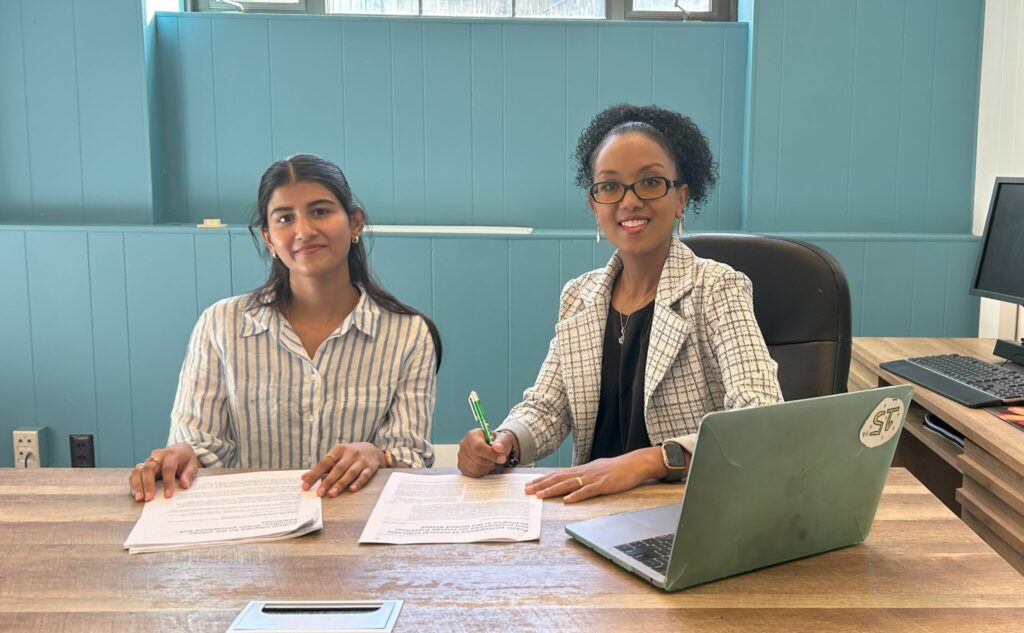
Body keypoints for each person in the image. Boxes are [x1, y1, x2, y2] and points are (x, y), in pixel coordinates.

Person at [457, 104, 782, 502]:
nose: (629, 201)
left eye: (650, 182)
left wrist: (652, 460)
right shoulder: (579, 296)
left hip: (685, 509)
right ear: (595, 206)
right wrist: (504, 442)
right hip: (587, 508)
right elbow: (548, 408)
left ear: (681, 198)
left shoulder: (716, 287)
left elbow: (758, 414)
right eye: (610, 187)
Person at [130, 154, 441, 502]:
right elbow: (200, 443)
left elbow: (412, 455)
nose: (304, 231)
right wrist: (182, 456)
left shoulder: (408, 334)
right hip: (251, 521)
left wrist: (378, 456)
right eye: (284, 218)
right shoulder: (221, 324)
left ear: (355, 223)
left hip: (356, 522)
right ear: (268, 238)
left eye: (320, 211)